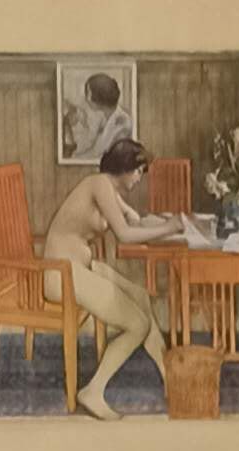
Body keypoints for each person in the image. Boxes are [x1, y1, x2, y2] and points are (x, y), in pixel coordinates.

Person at [42, 129, 174, 415]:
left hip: (79, 268)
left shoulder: (108, 189)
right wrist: (169, 228)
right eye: (139, 171)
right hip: (61, 275)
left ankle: (167, 374)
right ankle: (93, 390)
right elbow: (126, 235)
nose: (140, 178)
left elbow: (134, 221)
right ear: (125, 168)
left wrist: (165, 225)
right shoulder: (100, 185)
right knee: (137, 324)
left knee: (140, 295)